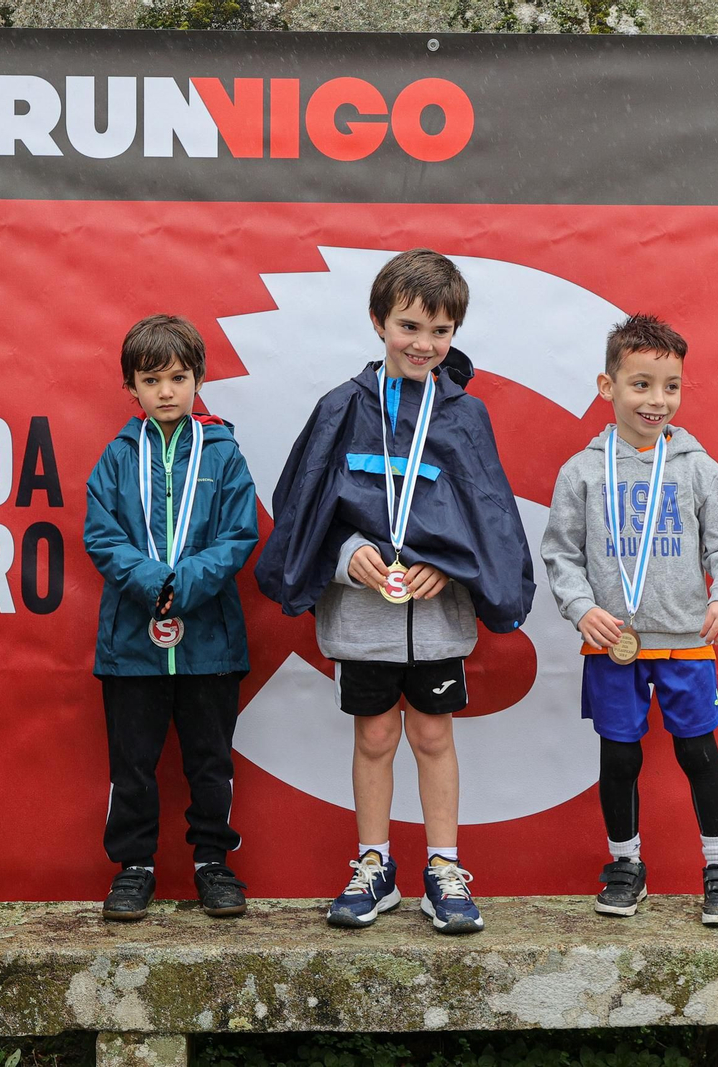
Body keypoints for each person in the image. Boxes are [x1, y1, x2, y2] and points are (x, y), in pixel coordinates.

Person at [256, 249, 534, 935]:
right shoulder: (342, 409)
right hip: (363, 618)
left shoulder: (464, 416)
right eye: (410, 326)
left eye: (441, 332)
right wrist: (351, 556)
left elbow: (487, 519)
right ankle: (374, 864)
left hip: (437, 619)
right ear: (379, 321)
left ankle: (444, 868)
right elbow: (306, 512)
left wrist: (453, 563)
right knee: (376, 734)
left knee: (434, 735)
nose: (425, 344)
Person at [540, 313, 718, 927]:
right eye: (640, 384)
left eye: (670, 387)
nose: (657, 400)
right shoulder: (581, 471)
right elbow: (560, 553)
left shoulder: (697, 467)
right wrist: (582, 610)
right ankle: (625, 864)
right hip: (614, 645)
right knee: (620, 757)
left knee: (699, 753)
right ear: (607, 388)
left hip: (686, 639)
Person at [83, 314, 260, 922]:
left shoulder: (224, 453)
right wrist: (152, 582)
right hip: (132, 642)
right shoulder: (115, 457)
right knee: (131, 764)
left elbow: (240, 535)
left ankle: (213, 862)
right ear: (131, 386)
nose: (166, 391)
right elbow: (101, 538)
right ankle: (134, 867)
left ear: (199, 379)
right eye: (151, 379)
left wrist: (183, 584)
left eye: (178, 377)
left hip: (210, 640)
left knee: (211, 762)